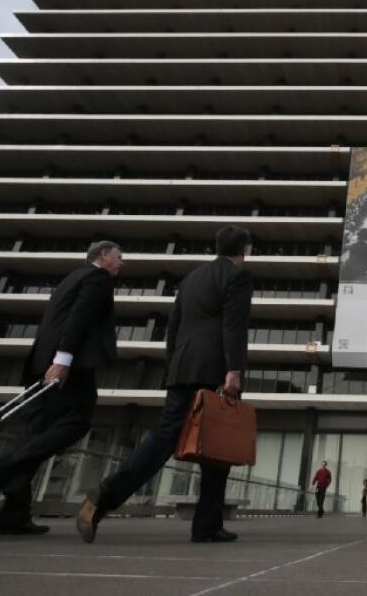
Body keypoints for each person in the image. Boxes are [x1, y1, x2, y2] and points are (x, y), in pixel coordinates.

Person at [75, 226, 253, 544]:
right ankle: (109, 494)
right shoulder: (237, 276)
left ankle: (205, 524)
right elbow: (234, 325)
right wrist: (234, 371)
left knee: (173, 439)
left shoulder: (192, 278)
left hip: (182, 366)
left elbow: (173, 328)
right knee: (217, 446)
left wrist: (171, 368)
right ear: (244, 249)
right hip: (212, 367)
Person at [0, 241, 123, 535]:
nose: (120, 264)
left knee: (33, 434)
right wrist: (63, 360)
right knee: (77, 422)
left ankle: (13, 514)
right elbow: (80, 318)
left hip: (42, 361)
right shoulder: (96, 278)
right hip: (69, 365)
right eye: (118, 258)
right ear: (103, 256)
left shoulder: (70, 278)